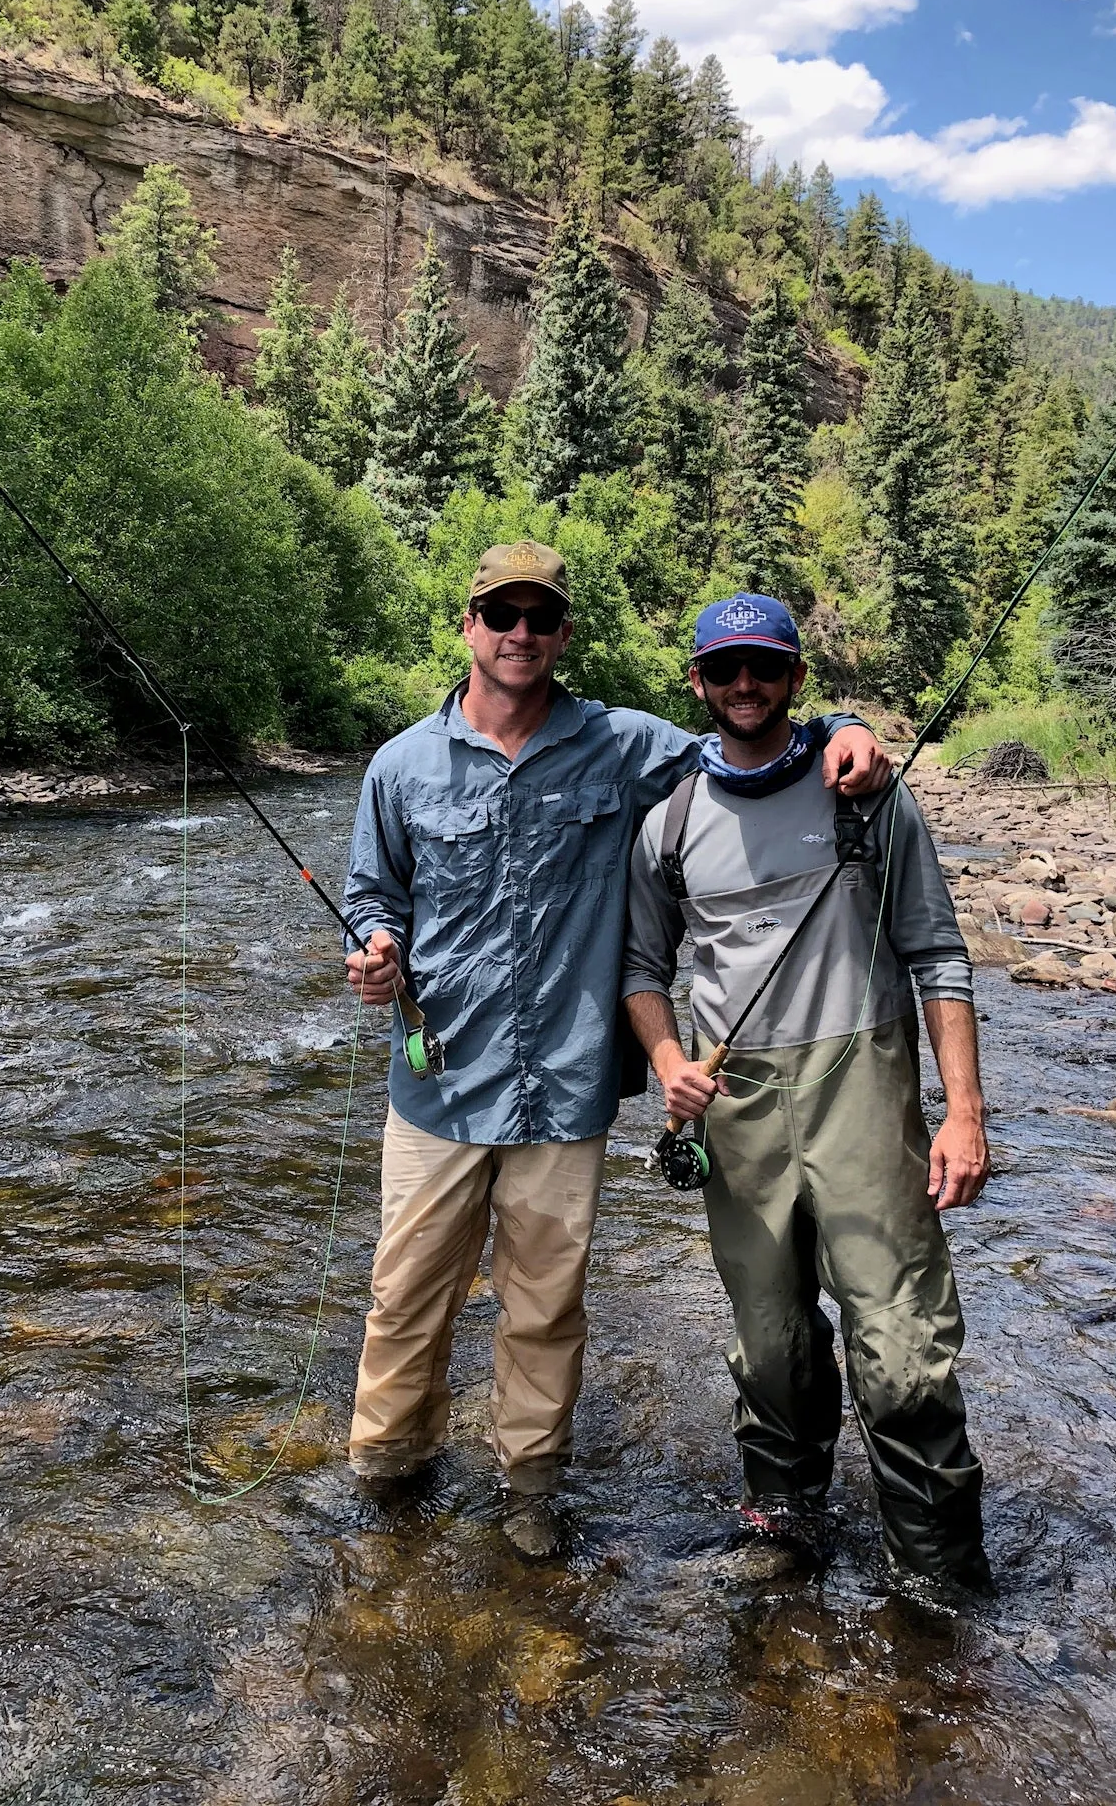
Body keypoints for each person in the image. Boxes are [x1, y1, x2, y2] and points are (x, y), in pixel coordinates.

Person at [341, 542, 892, 1558]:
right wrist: (372, 949)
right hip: (436, 1082)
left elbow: (746, 740)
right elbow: (375, 895)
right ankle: (387, 1472)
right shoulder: (400, 766)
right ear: (466, 627)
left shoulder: (624, 746)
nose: (519, 634)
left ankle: (530, 1485)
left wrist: (844, 728)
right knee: (402, 1298)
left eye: (538, 618)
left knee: (545, 1309)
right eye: (499, 615)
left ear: (562, 636)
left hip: (566, 1086)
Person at [622, 592, 991, 1589]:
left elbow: (938, 954)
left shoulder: (864, 788)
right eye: (726, 669)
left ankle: (937, 1569)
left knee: (900, 1345)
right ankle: (781, 1524)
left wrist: (962, 1115)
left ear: (794, 679)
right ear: (696, 682)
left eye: (767, 669)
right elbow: (640, 970)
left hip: (861, 1084)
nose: (747, 686)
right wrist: (666, 1063)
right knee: (770, 1341)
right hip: (733, 1104)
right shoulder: (666, 811)